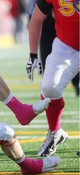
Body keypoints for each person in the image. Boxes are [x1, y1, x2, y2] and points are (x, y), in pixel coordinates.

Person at [26, 0, 79, 157]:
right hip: (66, 46)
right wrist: (33, 54)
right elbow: (36, 18)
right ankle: (55, 131)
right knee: (49, 87)